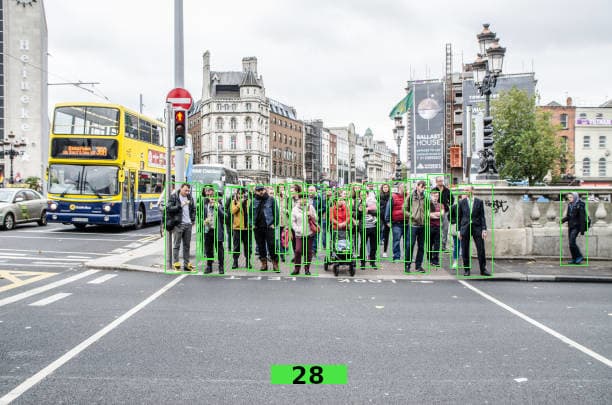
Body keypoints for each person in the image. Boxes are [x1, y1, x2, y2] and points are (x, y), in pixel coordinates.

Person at [458, 185, 491, 276]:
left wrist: (484, 229)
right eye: (464, 190)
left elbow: (482, 217)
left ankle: (483, 269)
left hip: (477, 228)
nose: (465, 192)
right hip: (465, 228)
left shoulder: (479, 202)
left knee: (481, 249)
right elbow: (459, 217)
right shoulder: (461, 202)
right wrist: (458, 231)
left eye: (467, 190)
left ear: (472, 191)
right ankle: (466, 270)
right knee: (465, 249)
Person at [166, 183, 196, 271]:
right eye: (185, 190)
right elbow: (169, 208)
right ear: (181, 189)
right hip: (178, 224)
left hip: (188, 224)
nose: (187, 192)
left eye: (188, 190)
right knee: (176, 245)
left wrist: (192, 219)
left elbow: (193, 209)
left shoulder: (190, 197)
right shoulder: (174, 197)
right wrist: (180, 205)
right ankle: (176, 263)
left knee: (187, 246)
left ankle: (186, 265)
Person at [250, 185, 280, 272]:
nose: (261, 192)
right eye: (258, 190)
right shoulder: (254, 201)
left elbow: (276, 212)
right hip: (258, 227)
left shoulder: (271, 199)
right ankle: (264, 264)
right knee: (260, 246)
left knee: (272, 245)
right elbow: (250, 213)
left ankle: (275, 263)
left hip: (269, 226)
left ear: (265, 190)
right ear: (255, 192)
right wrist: (252, 224)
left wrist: (275, 224)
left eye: (262, 190)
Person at [291, 193, 318, 275]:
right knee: (298, 251)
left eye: (306, 198)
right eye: (302, 198)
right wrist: (297, 229)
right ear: (299, 199)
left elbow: (316, 219)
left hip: (309, 233)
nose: (304, 200)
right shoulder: (295, 208)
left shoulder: (311, 207)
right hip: (299, 234)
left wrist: (312, 215)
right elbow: (292, 221)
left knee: (308, 252)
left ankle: (307, 269)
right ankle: (297, 269)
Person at [405, 180, 426, 273]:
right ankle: (407, 265)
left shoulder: (426, 197)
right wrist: (412, 215)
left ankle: (418, 266)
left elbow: (429, 208)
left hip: (423, 225)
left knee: (421, 247)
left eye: (424, 187)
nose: (423, 189)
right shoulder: (410, 196)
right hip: (413, 225)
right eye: (422, 187)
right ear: (417, 186)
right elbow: (404, 209)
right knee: (410, 245)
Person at [203, 190, 225, 274]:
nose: (212, 198)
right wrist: (204, 221)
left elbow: (225, 216)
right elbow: (201, 216)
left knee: (219, 249)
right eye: (210, 196)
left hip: (217, 230)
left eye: (213, 196)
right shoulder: (205, 206)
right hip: (208, 230)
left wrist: (217, 207)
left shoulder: (220, 205)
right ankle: (209, 266)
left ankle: (221, 267)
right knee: (208, 249)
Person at [561, 192, 587, 264]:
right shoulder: (570, 205)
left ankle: (579, 256)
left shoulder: (580, 205)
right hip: (571, 226)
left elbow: (582, 217)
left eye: (571, 197)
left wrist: (582, 230)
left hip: (577, 226)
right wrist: (562, 221)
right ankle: (574, 258)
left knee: (572, 242)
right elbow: (569, 216)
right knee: (571, 243)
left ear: (575, 197)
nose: (569, 199)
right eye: (568, 197)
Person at [384, 182, 407, 261]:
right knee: (396, 240)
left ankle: (407, 256)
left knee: (407, 241)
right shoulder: (393, 197)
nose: (405, 189)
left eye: (406, 187)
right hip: (396, 222)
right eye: (403, 187)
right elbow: (388, 208)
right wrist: (387, 221)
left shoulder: (408, 197)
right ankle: (396, 257)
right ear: (399, 188)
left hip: (407, 222)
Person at [230, 187, 251, 269]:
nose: (241, 195)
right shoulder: (234, 202)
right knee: (236, 246)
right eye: (239, 193)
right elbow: (232, 211)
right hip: (237, 228)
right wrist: (240, 203)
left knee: (247, 246)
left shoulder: (248, 202)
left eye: (242, 193)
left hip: (246, 228)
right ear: (237, 194)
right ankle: (235, 262)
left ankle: (248, 262)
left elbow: (251, 212)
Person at [432, 176, 453, 250]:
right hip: (435, 212)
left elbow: (452, 199)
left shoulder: (447, 190)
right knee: (436, 228)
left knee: (445, 229)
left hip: (445, 212)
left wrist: (448, 204)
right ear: (436, 182)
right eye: (439, 181)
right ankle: (435, 245)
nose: (441, 182)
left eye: (442, 181)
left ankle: (443, 246)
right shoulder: (433, 190)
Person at [448, 190, 464, 270]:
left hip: (465, 228)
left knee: (464, 245)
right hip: (457, 228)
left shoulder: (467, 207)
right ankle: (455, 262)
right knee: (456, 245)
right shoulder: (454, 207)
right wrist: (455, 222)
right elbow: (449, 217)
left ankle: (464, 262)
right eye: (461, 198)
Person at [428, 190, 443, 267]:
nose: (435, 198)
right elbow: (428, 214)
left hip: (437, 227)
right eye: (434, 196)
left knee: (437, 244)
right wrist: (436, 215)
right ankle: (430, 259)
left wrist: (433, 214)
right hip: (429, 226)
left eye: (437, 196)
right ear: (431, 196)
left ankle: (435, 260)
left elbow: (442, 214)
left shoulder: (441, 205)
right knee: (429, 244)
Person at [379, 183, 391, 258]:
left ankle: (385, 251)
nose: (385, 188)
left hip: (388, 217)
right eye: (384, 187)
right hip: (380, 216)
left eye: (387, 187)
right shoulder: (379, 196)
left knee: (387, 234)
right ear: (382, 188)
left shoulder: (391, 196)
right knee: (379, 231)